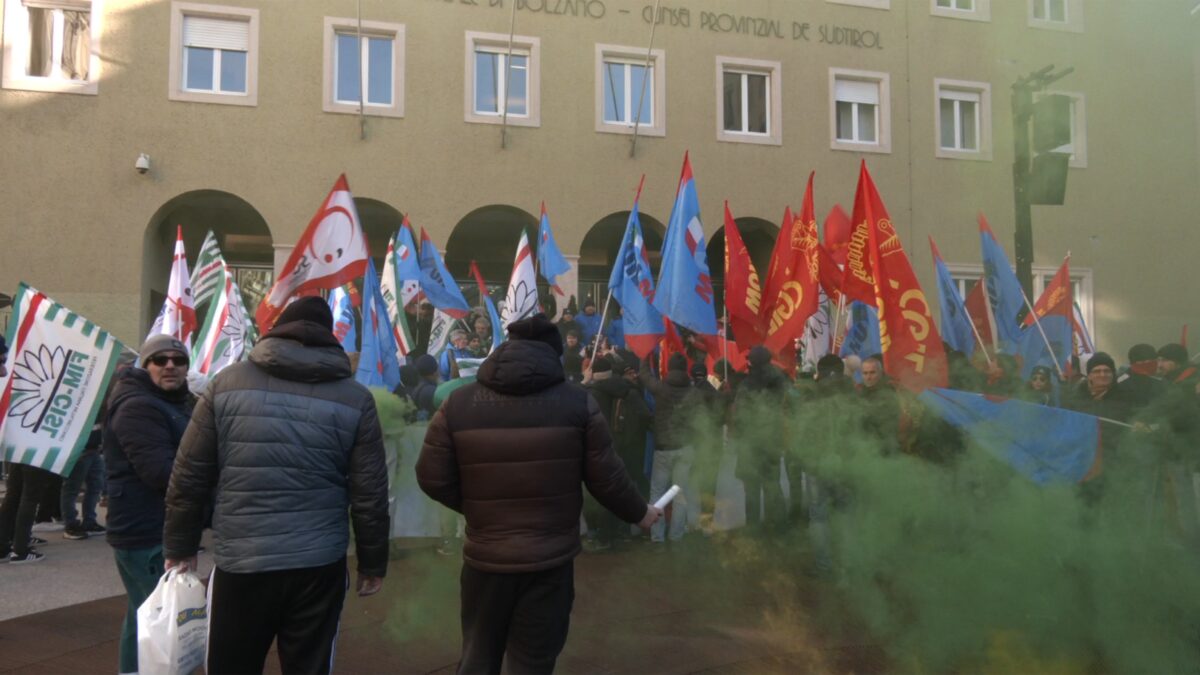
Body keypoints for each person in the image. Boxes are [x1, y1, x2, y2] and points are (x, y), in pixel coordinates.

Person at [417, 314, 659, 674]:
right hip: (549, 561)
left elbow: (431, 475)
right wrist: (640, 512)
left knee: (478, 657)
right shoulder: (577, 403)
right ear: (555, 355)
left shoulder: (459, 403)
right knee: (532, 661)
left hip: (486, 559)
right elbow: (606, 477)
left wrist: (479, 508)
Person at [163, 297, 390, 675]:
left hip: (243, 558)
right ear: (330, 338)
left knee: (231, 665)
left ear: (277, 330)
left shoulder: (227, 383)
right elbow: (370, 493)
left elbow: (189, 474)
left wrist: (180, 546)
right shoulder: (356, 398)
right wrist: (373, 562)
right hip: (318, 563)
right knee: (309, 666)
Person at [103, 335, 195, 674]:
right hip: (145, 530)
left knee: (143, 613)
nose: (170, 365)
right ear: (146, 366)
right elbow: (163, 473)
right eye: (160, 360)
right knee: (159, 623)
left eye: (178, 359)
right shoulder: (139, 406)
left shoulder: (175, 402)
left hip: (151, 525)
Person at [584, 354, 651, 550]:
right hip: (622, 447)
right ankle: (616, 533)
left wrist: (585, 381)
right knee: (617, 489)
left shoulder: (591, 392)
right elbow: (645, 415)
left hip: (596, 448)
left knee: (597, 493)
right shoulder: (625, 389)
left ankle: (600, 535)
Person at [639, 352, 696, 547]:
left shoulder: (661, 388)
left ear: (670, 368)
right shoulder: (692, 391)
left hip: (663, 448)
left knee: (657, 492)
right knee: (679, 493)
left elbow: (645, 376)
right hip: (685, 447)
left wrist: (644, 355)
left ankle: (657, 538)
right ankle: (676, 537)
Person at [733, 347, 790, 533]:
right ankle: (779, 527)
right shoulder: (780, 381)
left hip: (750, 445)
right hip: (771, 442)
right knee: (772, 486)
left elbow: (739, 416)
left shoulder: (747, 385)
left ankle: (753, 530)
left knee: (752, 489)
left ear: (752, 362)